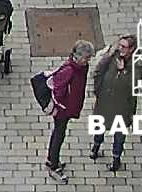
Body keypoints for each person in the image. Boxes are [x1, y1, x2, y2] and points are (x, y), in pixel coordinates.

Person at [45, 41, 96, 181]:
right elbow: (57, 91)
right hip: (62, 111)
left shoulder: (79, 68)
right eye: (86, 58)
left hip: (67, 109)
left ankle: (52, 159)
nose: (88, 61)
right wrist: (61, 107)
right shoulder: (69, 70)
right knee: (58, 135)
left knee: (59, 133)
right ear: (77, 56)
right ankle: (52, 165)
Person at [89, 35, 138, 172]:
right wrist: (107, 56)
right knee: (99, 126)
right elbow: (98, 71)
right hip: (105, 100)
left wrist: (123, 71)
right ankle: (95, 148)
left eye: (124, 47)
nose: (120, 49)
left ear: (132, 49)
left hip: (122, 105)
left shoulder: (137, 64)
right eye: (120, 45)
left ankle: (116, 159)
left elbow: (133, 84)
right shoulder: (113, 57)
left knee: (119, 134)